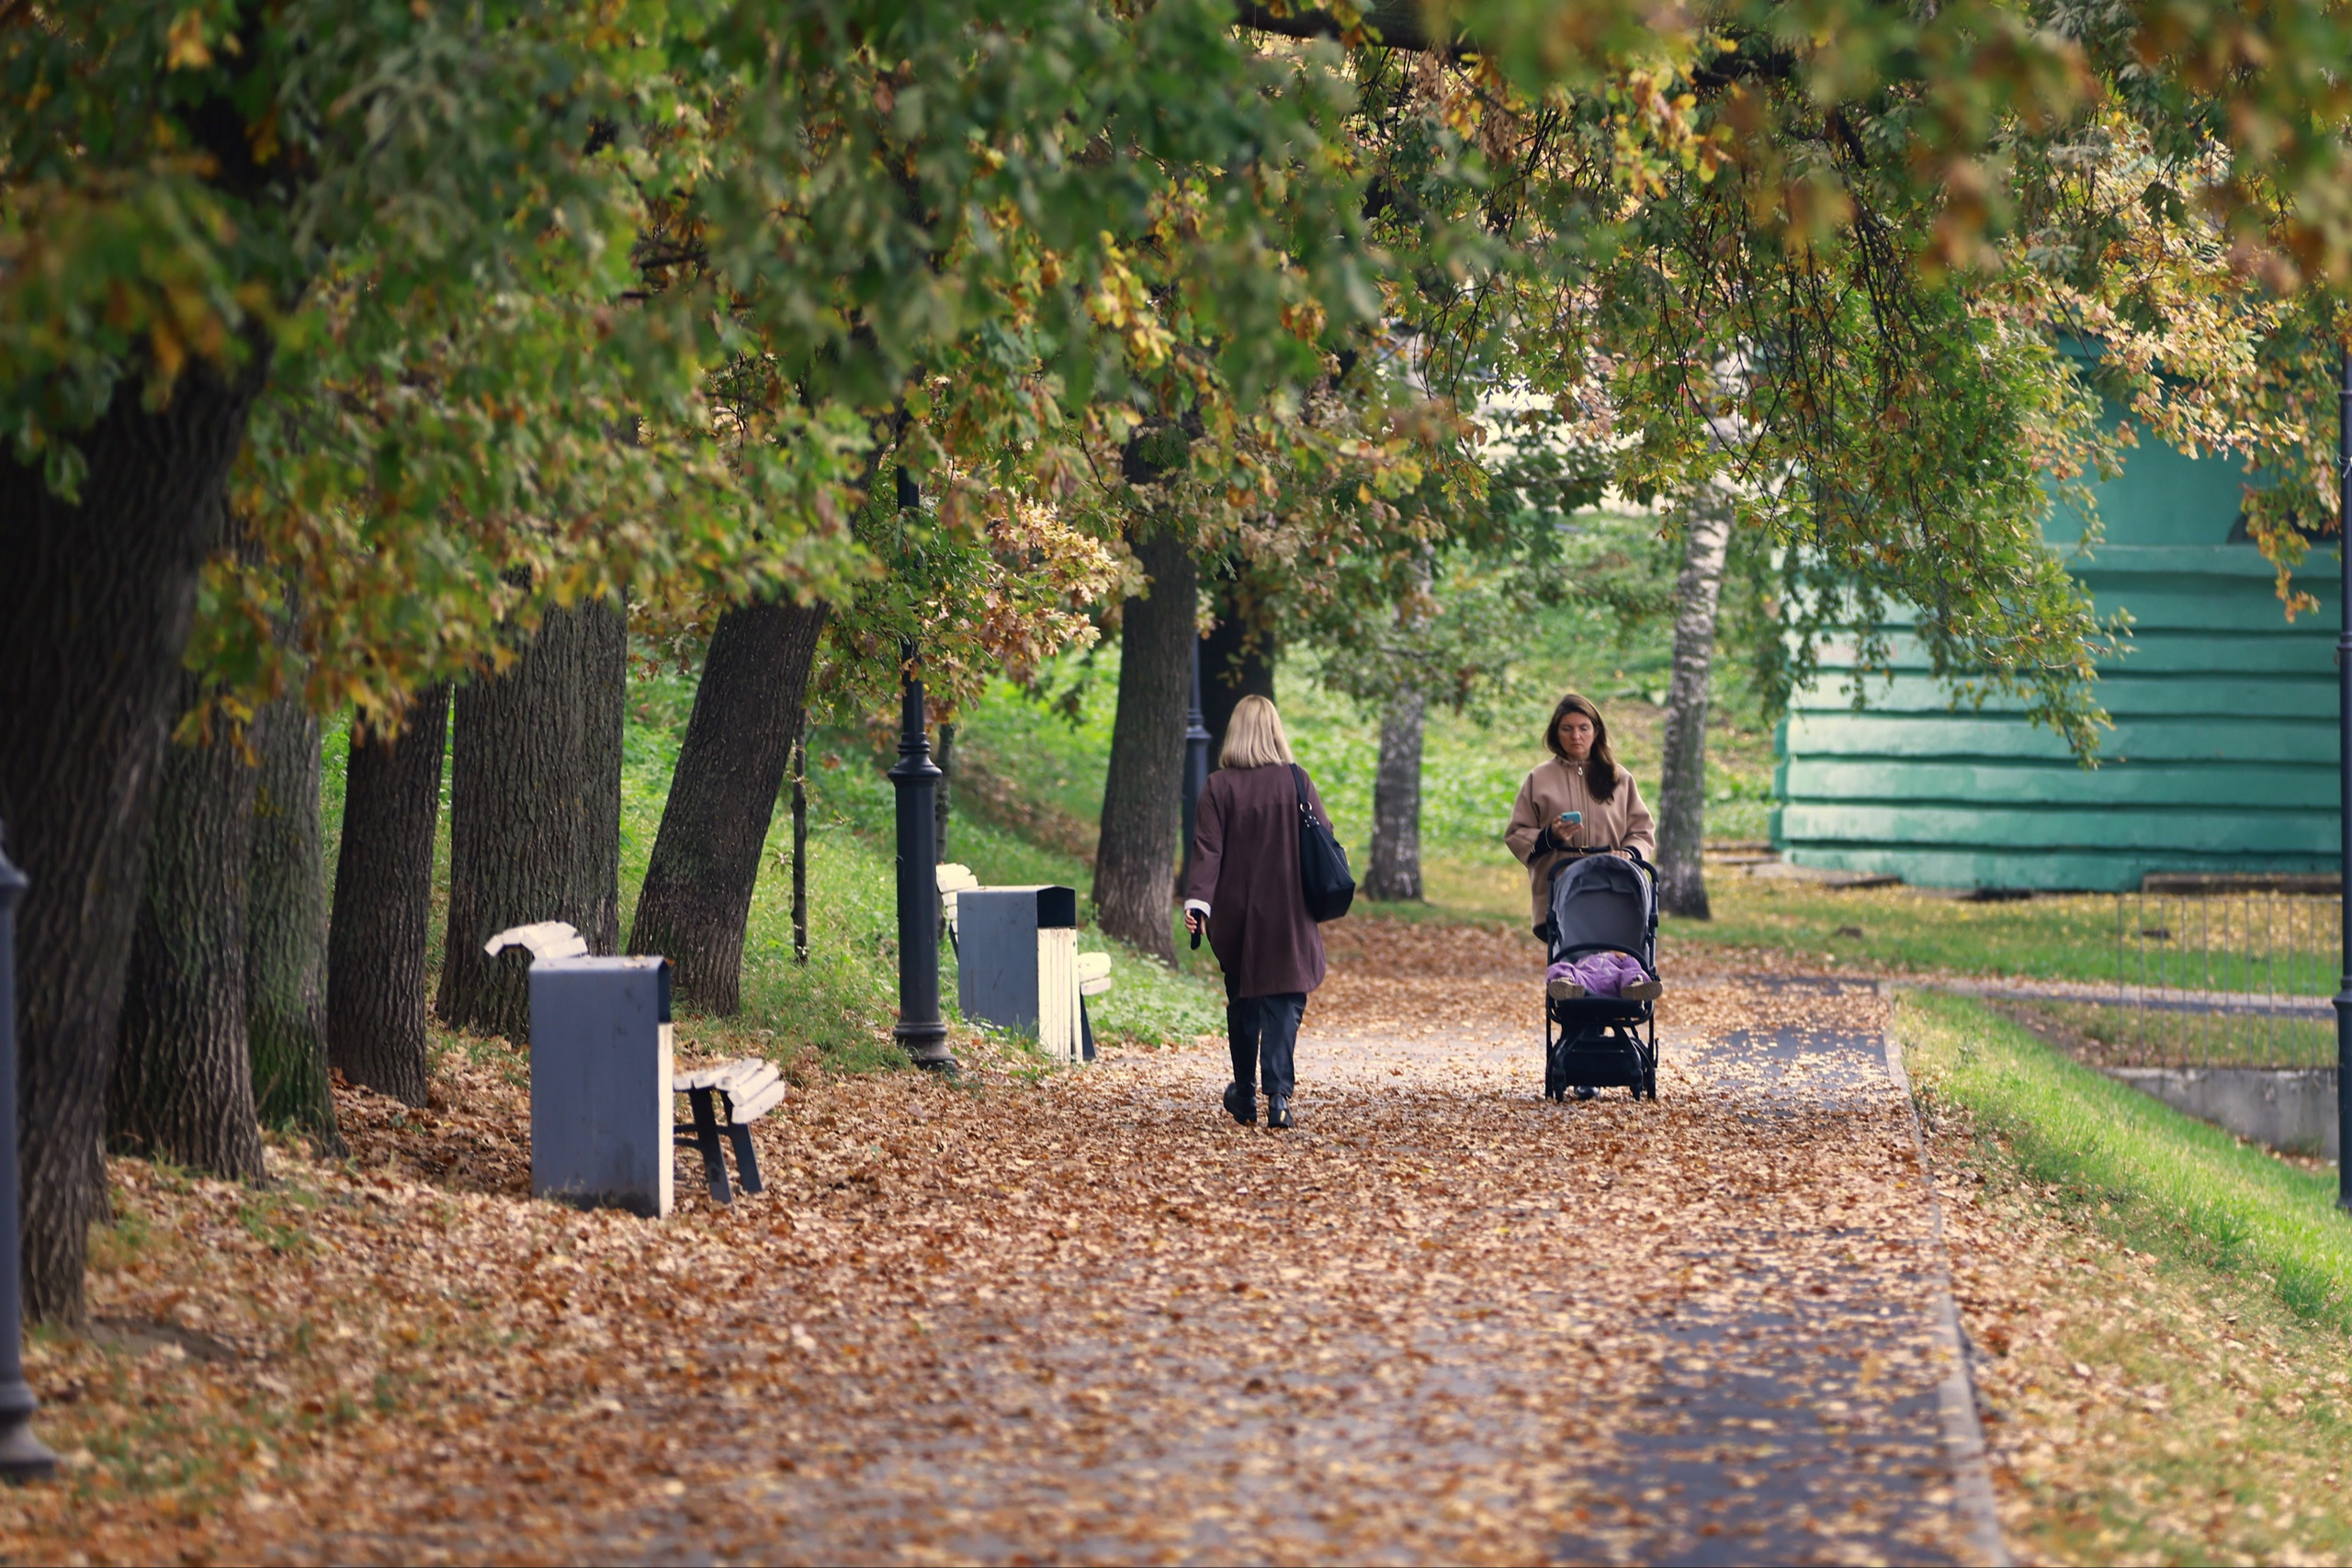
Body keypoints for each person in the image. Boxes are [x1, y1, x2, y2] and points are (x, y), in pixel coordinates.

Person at [1183, 694, 1329, 1131]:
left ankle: (1244, 1092)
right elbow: (1323, 834)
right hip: (1289, 909)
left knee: (1244, 999)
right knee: (1285, 999)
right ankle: (1279, 1097)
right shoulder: (1296, 781)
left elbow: (1209, 849)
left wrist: (1198, 904)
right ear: (1274, 731)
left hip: (1236, 914)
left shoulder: (1219, 786)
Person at [1505, 691, 1661, 1009]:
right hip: (1563, 890)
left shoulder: (1619, 779)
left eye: (1583, 727)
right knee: (1572, 956)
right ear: (1555, 733)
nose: (1576, 735)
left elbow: (1642, 831)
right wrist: (1551, 836)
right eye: (1567, 728)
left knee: (1618, 954)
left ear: (1596, 732)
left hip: (1614, 888)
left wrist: (1629, 854)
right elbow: (1517, 833)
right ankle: (1576, 1025)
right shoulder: (1539, 778)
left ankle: (1627, 997)